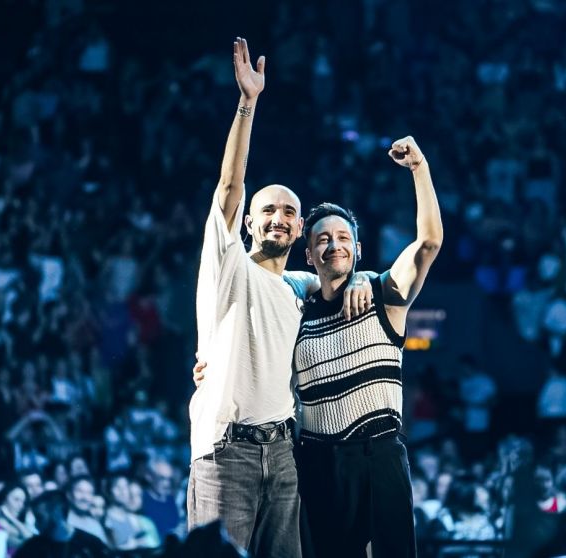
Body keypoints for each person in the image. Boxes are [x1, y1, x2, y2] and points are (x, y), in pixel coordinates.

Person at [187, 37, 370, 557]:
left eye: (290, 213)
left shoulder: (298, 288)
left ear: (299, 235)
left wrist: (355, 278)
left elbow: (341, 274)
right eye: (268, 209)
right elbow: (227, 188)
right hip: (227, 452)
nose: (279, 217)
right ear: (249, 222)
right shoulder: (228, 267)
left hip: (284, 452)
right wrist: (248, 104)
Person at [290, 135, 442, 557]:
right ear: (309, 254)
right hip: (317, 461)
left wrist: (419, 168)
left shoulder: (383, 292)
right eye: (322, 239)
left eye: (342, 237)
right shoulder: (296, 308)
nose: (333, 244)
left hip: (378, 457)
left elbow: (428, 244)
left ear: (358, 249)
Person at [14, 491, 109, 558]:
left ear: (57, 513)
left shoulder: (91, 545)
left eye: (40, 518)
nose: (36, 524)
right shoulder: (31, 548)